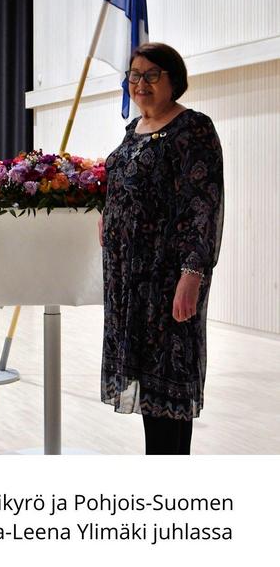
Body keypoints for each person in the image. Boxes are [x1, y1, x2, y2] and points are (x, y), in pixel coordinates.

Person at [100, 42, 224, 455]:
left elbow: (203, 205)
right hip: (128, 281)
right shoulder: (133, 129)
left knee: (169, 388)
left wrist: (192, 274)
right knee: (149, 388)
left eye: (152, 75)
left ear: (174, 80)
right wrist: (107, 212)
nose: (141, 83)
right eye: (134, 75)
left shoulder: (193, 128)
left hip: (167, 277)